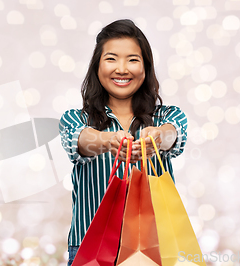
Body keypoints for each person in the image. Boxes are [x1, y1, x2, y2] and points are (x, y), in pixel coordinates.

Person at [58, 19, 188, 266]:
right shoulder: (75, 119)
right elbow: (82, 140)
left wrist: (159, 137)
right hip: (92, 247)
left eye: (132, 59)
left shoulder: (167, 117)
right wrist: (109, 141)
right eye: (111, 58)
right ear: (97, 66)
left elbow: (174, 133)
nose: (122, 69)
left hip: (156, 247)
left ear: (145, 67)